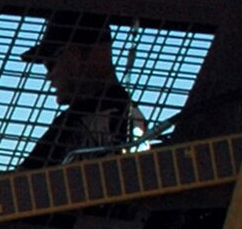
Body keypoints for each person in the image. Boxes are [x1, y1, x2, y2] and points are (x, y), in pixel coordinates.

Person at [17, 15, 146, 170]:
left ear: (74, 54)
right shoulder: (122, 116)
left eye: (51, 64)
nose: (48, 76)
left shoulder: (106, 120)